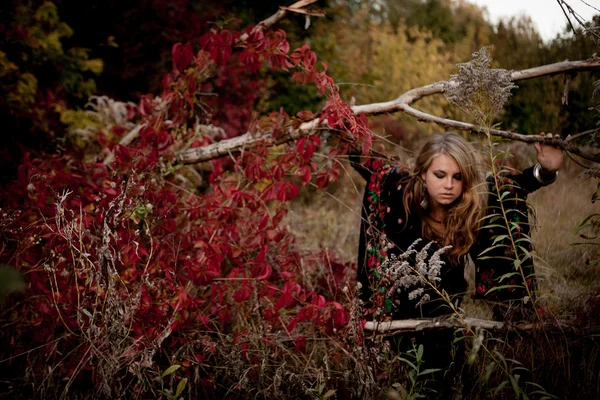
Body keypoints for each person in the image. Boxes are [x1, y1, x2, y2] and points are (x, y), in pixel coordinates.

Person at [351, 131, 563, 321]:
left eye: (458, 177)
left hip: (448, 322)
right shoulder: (401, 190)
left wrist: (546, 170)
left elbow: (515, 187)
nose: (449, 185)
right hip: (397, 323)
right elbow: (367, 164)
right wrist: (341, 127)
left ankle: (513, 317)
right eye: (440, 175)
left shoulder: (476, 200)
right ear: (423, 173)